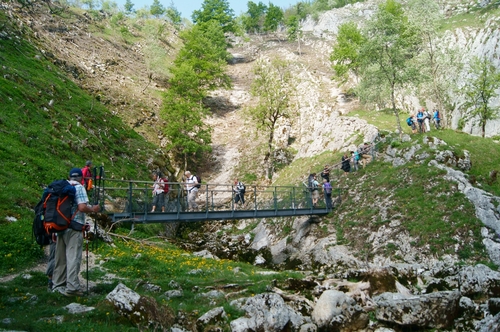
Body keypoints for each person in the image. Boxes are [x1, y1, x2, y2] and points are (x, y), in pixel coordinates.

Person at [52, 168, 100, 297]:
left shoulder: (62, 187)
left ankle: (58, 285)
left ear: (69, 176)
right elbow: (82, 207)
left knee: (60, 257)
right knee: (73, 257)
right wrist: (93, 209)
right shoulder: (79, 187)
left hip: (60, 226)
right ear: (81, 178)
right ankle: (72, 287)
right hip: (74, 228)